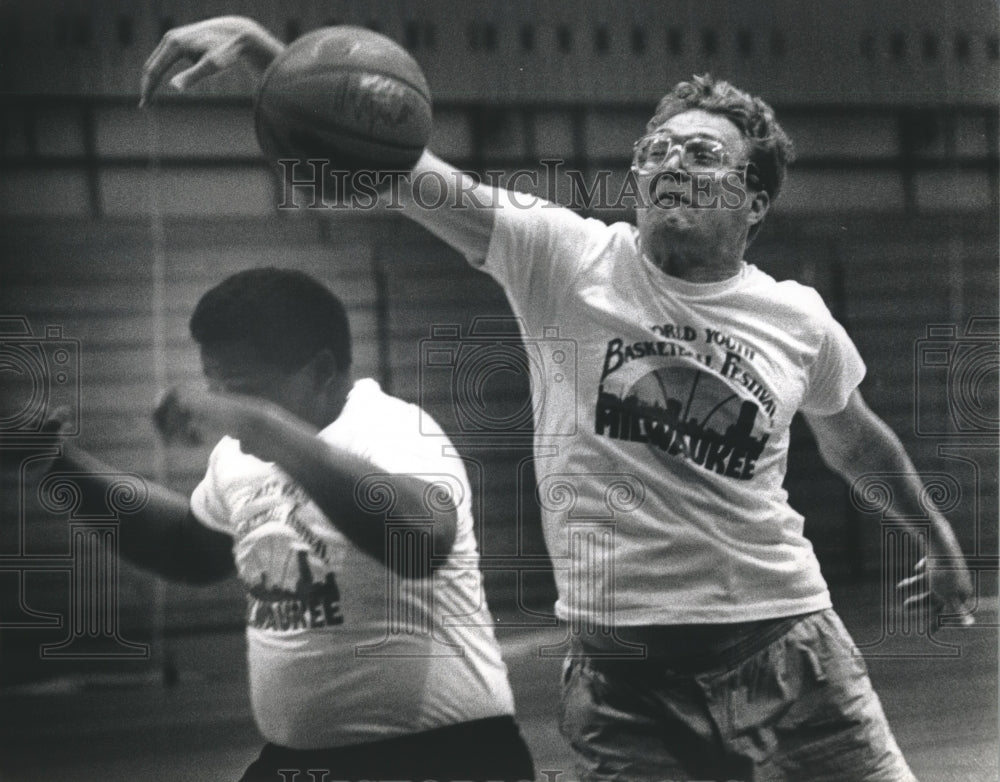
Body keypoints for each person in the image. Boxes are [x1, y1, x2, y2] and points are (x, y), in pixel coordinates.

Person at [140, 18, 975, 782]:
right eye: (660, 148)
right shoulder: (565, 258)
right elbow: (393, 163)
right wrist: (270, 60)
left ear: (755, 200)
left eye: (704, 156)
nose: (675, 163)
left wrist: (935, 543)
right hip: (625, 682)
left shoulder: (798, 317)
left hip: (787, 647)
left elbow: (856, 443)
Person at [44, 267, 536, 782]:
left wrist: (263, 426)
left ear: (321, 370)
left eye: (242, 393)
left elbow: (419, 542)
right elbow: (185, 547)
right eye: (216, 389)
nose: (225, 410)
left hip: (443, 756)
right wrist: (59, 465)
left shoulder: (394, 428)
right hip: (301, 764)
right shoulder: (239, 455)